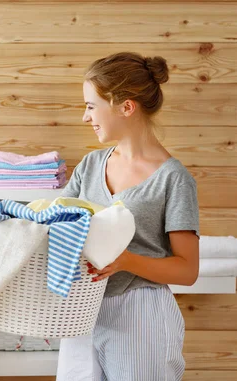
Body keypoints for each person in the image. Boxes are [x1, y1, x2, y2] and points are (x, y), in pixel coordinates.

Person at [60, 52, 199, 381]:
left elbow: (188, 269)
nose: (85, 117)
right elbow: (57, 223)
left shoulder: (173, 180)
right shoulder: (90, 166)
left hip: (139, 314)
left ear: (126, 106)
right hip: (82, 312)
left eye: (91, 106)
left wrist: (124, 260)